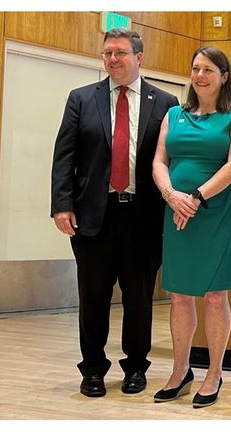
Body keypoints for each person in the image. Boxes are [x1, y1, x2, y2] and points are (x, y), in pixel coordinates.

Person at [50, 28, 178, 398]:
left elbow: (171, 158)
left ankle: (136, 368)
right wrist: (62, 204)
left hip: (144, 217)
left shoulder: (166, 102)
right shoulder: (81, 99)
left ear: (139, 57)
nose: (112, 59)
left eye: (120, 53)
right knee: (93, 298)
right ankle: (92, 370)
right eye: (107, 53)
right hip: (93, 216)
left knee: (139, 299)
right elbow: (65, 157)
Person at [151, 46, 231, 408]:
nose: (200, 75)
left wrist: (194, 197)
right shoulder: (174, 114)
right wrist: (171, 194)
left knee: (213, 294)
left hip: (215, 208)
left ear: (224, 76)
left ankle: (214, 373)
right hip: (176, 207)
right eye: (195, 68)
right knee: (178, 293)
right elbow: (160, 159)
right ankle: (180, 371)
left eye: (209, 69)